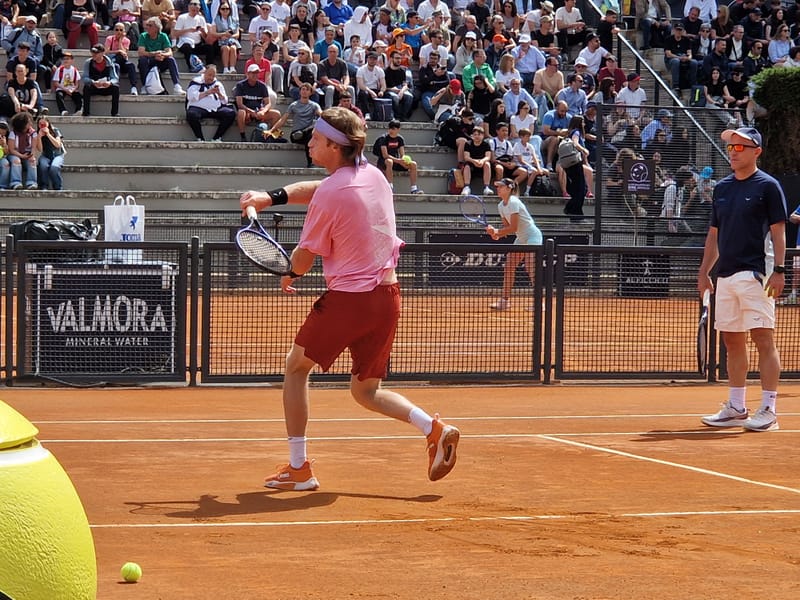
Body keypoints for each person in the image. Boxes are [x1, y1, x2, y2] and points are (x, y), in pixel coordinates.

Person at [238, 107, 460, 490]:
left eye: (316, 139)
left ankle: (299, 468)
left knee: (295, 369)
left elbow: (304, 259)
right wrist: (269, 197)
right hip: (388, 298)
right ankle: (433, 428)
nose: (309, 143)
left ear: (334, 146)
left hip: (350, 301)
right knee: (365, 390)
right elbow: (319, 188)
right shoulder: (373, 175)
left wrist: (290, 273)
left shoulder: (331, 195)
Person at [698, 127, 787, 432]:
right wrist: (704, 273)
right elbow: (714, 235)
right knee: (731, 340)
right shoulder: (722, 188)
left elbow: (778, 232)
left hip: (757, 275)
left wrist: (779, 270)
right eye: (730, 147)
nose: (732, 152)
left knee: (763, 339)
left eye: (740, 147)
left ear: (756, 151)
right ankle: (736, 407)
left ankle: (769, 410)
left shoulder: (769, 186)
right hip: (725, 276)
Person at [486, 177, 542, 311]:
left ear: (508, 188)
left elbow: (514, 227)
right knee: (509, 266)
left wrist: (497, 231)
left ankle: (539, 302)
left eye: (500, 186)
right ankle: (504, 301)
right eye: (497, 186)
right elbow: (508, 228)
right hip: (521, 238)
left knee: (530, 267)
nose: (497, 189)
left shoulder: (514, 201)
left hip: (532, 236)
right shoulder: (500, 206)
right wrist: (495, 234)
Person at [270, 82, 321, 166]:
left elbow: (322, 115)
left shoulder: (314, 105)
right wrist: (272, 130)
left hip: (308, 134)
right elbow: (283, 120)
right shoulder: (293, 105)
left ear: (310, 92)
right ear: (300, 92)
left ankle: (311, 163)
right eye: (303, 89)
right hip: (295, 135)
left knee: (314, 128)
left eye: (307, 90)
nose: (304, 91)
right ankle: (311, 163)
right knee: (309, 137)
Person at [185, 64, 235, 142]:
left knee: (230, 113)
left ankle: (217, 137)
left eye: (213, 76)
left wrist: (219, 94)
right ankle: (200, 138)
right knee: (191, 115)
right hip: (199, 108)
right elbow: (190, 97)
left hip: (215, 109)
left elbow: (225, 101)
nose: (211, 78)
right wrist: (207, 92)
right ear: (204, 73)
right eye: (209, 75)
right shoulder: (196, 82)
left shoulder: (218, 84)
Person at [373, 119, 423, 193]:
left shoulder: (400, 139)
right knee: (389, 161)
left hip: (396, 161)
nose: (391, 130)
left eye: (393, 128)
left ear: (398, 129)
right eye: (390, 128)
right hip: (384, 162)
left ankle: (414, 189)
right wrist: (398, 161)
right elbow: (385, 155)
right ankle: (390, 187)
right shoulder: (383, 139)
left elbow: (402, 154)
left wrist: (403, 161)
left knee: (413, 164)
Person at [234, 63, 280, 142]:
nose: (255, 75)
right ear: (248, 74)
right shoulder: (240, 85)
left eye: (257, 73)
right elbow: (239, 104)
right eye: (253, 73)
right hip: (247, 113)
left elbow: (268, 103)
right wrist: (251, 112)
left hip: (259, 112)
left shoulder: (262, 86)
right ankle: (243, 136)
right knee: (241, 112)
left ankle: (272, 136)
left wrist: (263, 111)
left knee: (276, 114)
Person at [137, 16, 183, 95]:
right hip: (149, 60)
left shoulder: (163, 36)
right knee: (142, 60)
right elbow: (141, 52)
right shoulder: (143, 36)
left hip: (160, 60)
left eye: (150, 25)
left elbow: (169, 52)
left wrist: (162, 55)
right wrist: (154, 54)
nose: (147, 27)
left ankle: (177, 86)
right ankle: (144, 86)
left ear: (157, 28)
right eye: (147, 25)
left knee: (171, 60)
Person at [81, 43, 120, 116]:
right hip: (94, 87)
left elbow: (115, 78)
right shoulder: (88, 62)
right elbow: (85, 77)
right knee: (86, 88)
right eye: (93, 52)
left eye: (96, 52)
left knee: (115, 88)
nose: (94, 54)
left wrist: (110, 83)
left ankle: (114, 113)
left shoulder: (109, 62)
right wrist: (92, 82)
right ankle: (86, 112)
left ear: (102, 53)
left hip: (106, 87)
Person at [7, 110, 38, 189]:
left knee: (32, 160)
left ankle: (32, 183)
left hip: (27, 153)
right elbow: (11, 149)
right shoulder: (13, 133)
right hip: (15, 154)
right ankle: (16, 183)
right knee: (16, 160)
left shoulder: (33, 133)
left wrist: (31, 155)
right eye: (28, 122)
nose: (31, 123)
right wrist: (21, 156)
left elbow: (34, 148)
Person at [105, 21, 139, 94]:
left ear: (124, 31)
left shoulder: (126, 41)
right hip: (113, 61)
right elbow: (106, 52)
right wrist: (118, 51)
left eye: (121, 30)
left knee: (131, 65)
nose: (119, 32)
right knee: (116, 63)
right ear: (114, 31)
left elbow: (124, 53)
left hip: (122, 62)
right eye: (117, 30)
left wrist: (120, 41)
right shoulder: (109, 39)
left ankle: (133, 87)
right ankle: (115, 86)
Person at [460, 127, 493, 196]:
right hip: (472, 163)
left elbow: (488, 157)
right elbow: (466, 157)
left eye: (479, 134)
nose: (477, 136)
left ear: (483, 135)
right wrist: (474, 161)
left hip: (482, 163)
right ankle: (466, 187)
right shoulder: (468, 144)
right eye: (475, 134)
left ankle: (486, 187)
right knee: (467, 166)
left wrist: (482, 161)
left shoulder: (486, 144)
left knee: (487, 164)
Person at [36, 117, 65, 190]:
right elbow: (40, 149)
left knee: (54, 168)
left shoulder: (55, 130)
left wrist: (48, 134)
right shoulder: (37, 133)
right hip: (46, 155)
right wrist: (39, 137)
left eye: (44, 124)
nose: (42, 125)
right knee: (43, 166)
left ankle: (58, 186)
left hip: (57, 155)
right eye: (40, 124)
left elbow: (58, 144)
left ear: (48, 123)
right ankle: (44, 185)